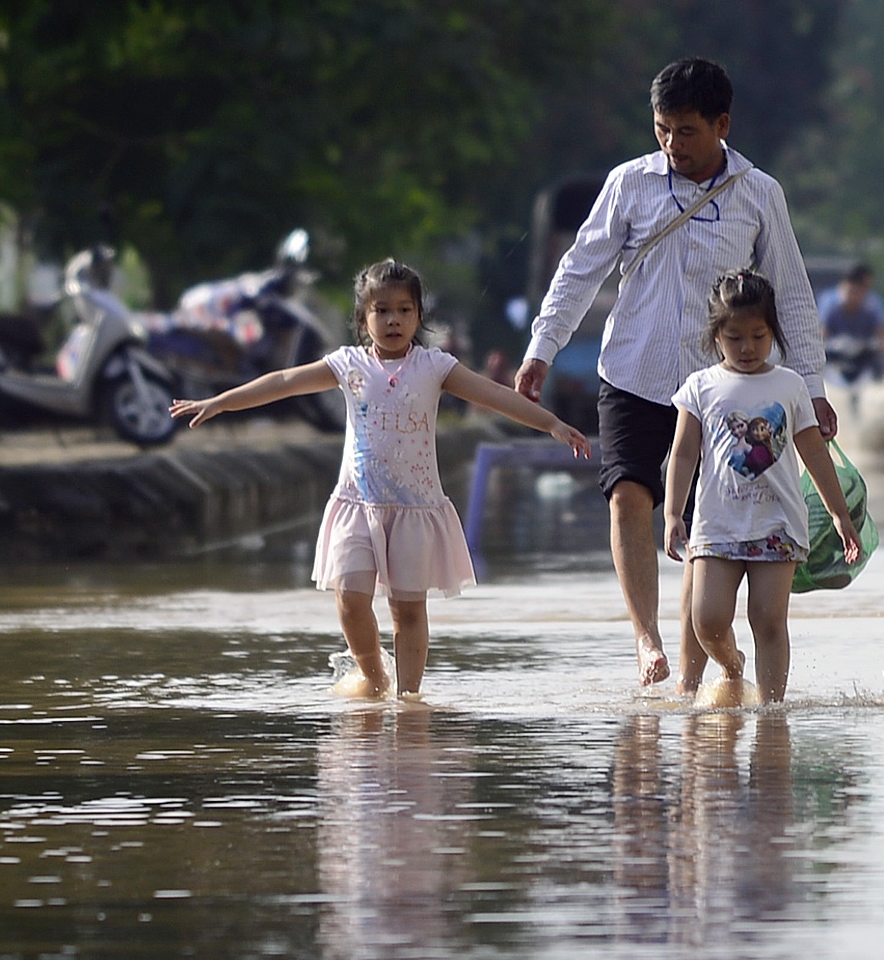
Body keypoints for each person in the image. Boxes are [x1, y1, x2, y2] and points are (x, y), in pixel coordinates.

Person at [514, 57, 837, 692]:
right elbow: (582, 270)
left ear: (722, 124)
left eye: (686, 131)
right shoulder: (629, 184)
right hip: (633, 370)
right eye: (662, 129)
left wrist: (814, 386)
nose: (672, 145)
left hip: (721, 393)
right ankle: (646, 640)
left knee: (701, 533)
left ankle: (700, 674)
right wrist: (541, 349)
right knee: (629, 495)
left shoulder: (759, 193)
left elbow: (792, 296)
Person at [171, 259, 591, 700]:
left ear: (418, 317)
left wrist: (552, 425)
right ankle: (374, 677)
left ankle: (408, 701)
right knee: (350, 598)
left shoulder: (435, 367)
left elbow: (496, 396)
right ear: (363, 317)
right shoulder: (347, 365)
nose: (393, 320)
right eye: (382, 310)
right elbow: (284, 380)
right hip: (358, 502)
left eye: (404, 310)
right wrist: (220, 402)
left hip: (414, 507)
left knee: (407, 608)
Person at [662, 270, 860, 706]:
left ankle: (772, 711)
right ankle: (733, 668)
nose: (747, 348)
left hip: (778, 524)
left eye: (759, 335)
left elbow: (813, 450)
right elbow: (682, 453)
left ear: (774, 332)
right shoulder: (700, 387)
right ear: (716, 336)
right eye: (735, 338)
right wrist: (674, 512)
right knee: (707, 619)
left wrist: (839, 514)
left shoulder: (789, 386)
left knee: (768, 619)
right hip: (716, 526)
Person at [817, 262, 884, 384]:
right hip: (835, 355)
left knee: (880, 369)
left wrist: (875, 347)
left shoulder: (873, 303)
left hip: (861, 355)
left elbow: (883, 338)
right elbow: (822, 335)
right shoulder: (829, 302)